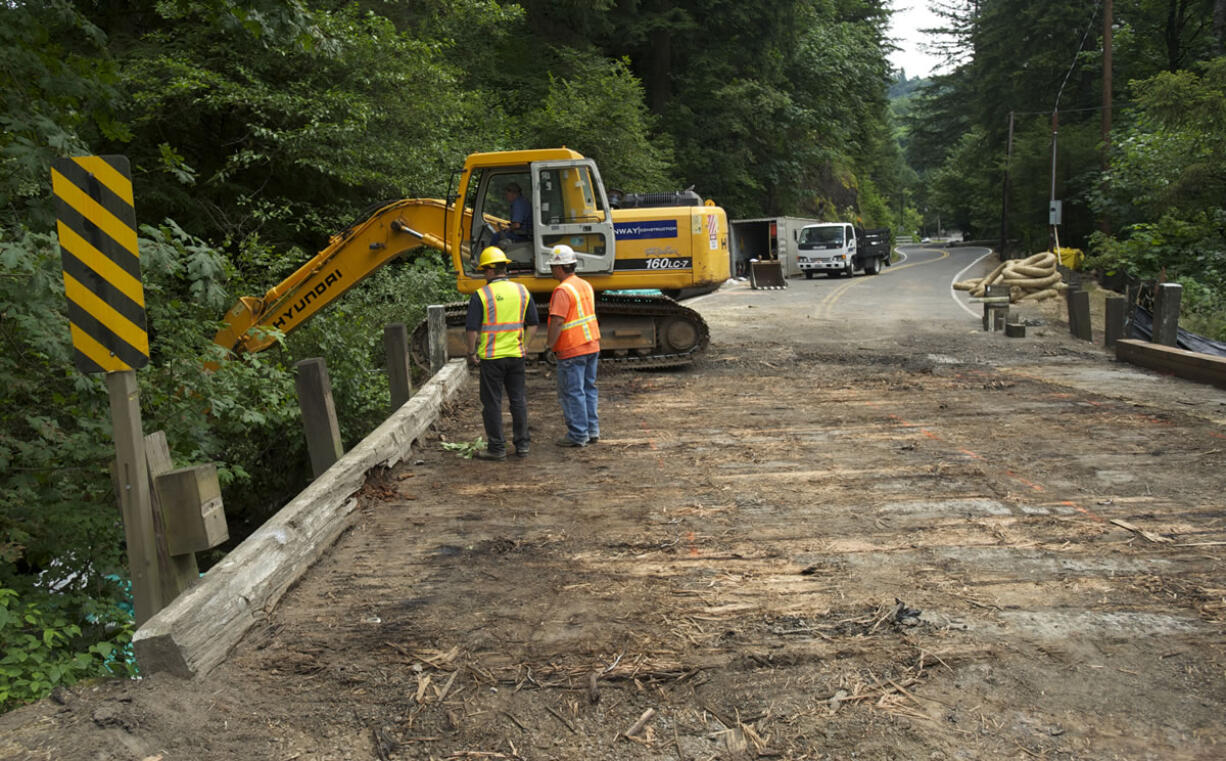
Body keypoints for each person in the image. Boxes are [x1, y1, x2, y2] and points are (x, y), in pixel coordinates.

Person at [465, 246, 539, 461]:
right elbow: (533, 324)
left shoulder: (482, 295)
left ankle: (497, 448)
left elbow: (472, 329)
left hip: (492, 358)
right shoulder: (522, 291)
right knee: (518, 400)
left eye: (483, 271)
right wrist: (525, 345)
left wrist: (471, 353)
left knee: (492, 403)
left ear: (489, 270)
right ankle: (522, 445)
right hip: (516, 356)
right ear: (504, 268)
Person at [545, 244, 600, 447]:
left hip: (571, 348)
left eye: (552, 266)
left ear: (560, 268)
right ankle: (592, 430)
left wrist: (550, 345)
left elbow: (558, 321)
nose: (551, 270)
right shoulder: (584, 284)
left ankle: (578, 434)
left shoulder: (562, 291)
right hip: (591, 344)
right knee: (588, 389)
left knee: (572, 392)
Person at [491, 181, 532, 246]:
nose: (506, 196)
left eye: (506, 193)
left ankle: (492, 255)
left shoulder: (518, 203)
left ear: (513, 193)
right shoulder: (523, 201)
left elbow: (516, 225)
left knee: (496, 237)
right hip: (526, 233)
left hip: (523, 235)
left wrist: (509, 229)